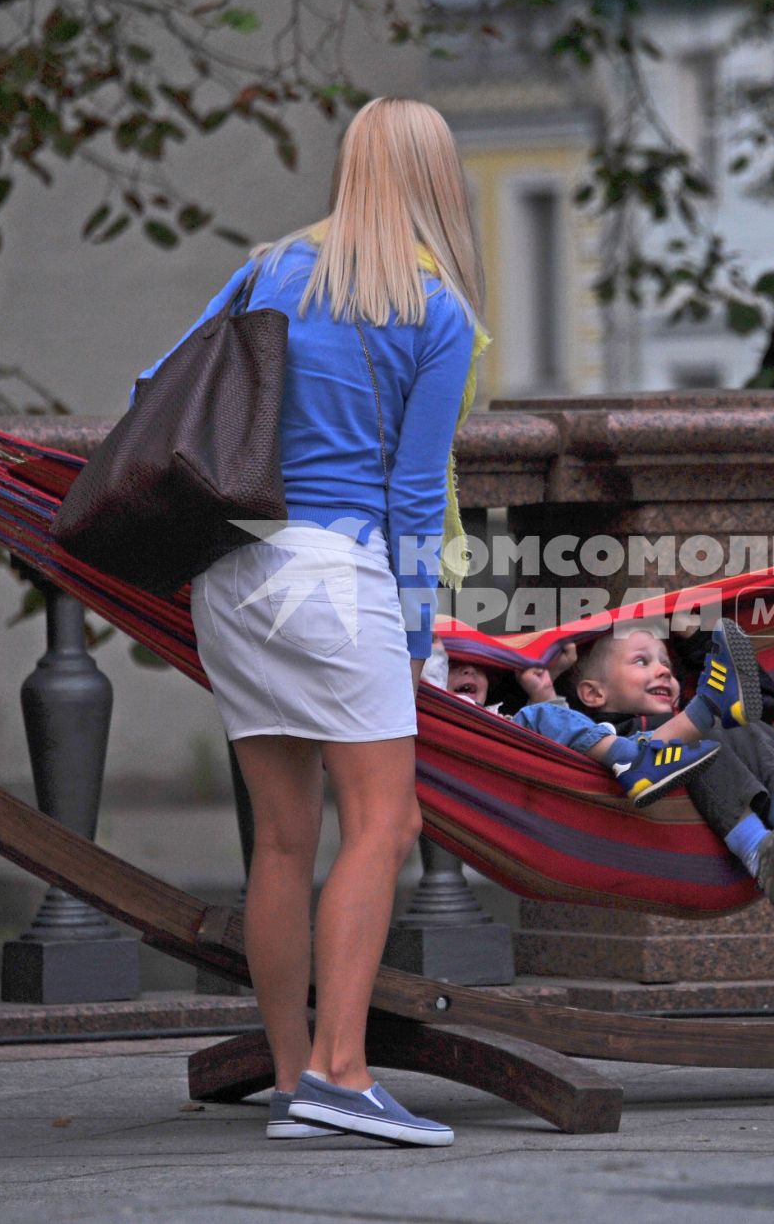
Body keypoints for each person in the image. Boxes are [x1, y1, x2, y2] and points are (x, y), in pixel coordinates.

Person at [137, 98, 482, 1147]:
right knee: (386, 823)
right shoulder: (435, 311)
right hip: (337, 577)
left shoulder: (268, 273)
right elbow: (417, 497)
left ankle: (296, 1080)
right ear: (436, 179)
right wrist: (419, 638)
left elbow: (160, 388)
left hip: (234, 571)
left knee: (284, 837)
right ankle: (346, 1070)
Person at [552, 620, 774, 908]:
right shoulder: (598, 733)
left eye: (666, 664)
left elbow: (757, 699)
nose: (664, 671)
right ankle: (759, 854)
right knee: (694, 732)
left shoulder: (691, 714)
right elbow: (550, 726)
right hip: (652, 802)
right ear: (594, 694)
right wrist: (551, 677)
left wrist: (695, 636)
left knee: (740, 717)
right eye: (641, 662)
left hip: (733, 790)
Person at [419, 640, 724, 803]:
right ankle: (708, 707)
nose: (469, 672)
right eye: (454, 665)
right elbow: (426, 670)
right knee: (539, 715)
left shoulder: (495, 713)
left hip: (522, 762)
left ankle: (705, 710)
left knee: (551, 718)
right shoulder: (435, 706)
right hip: (485, 766)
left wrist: (543, 687)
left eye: (477, 668)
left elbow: (544, 741)